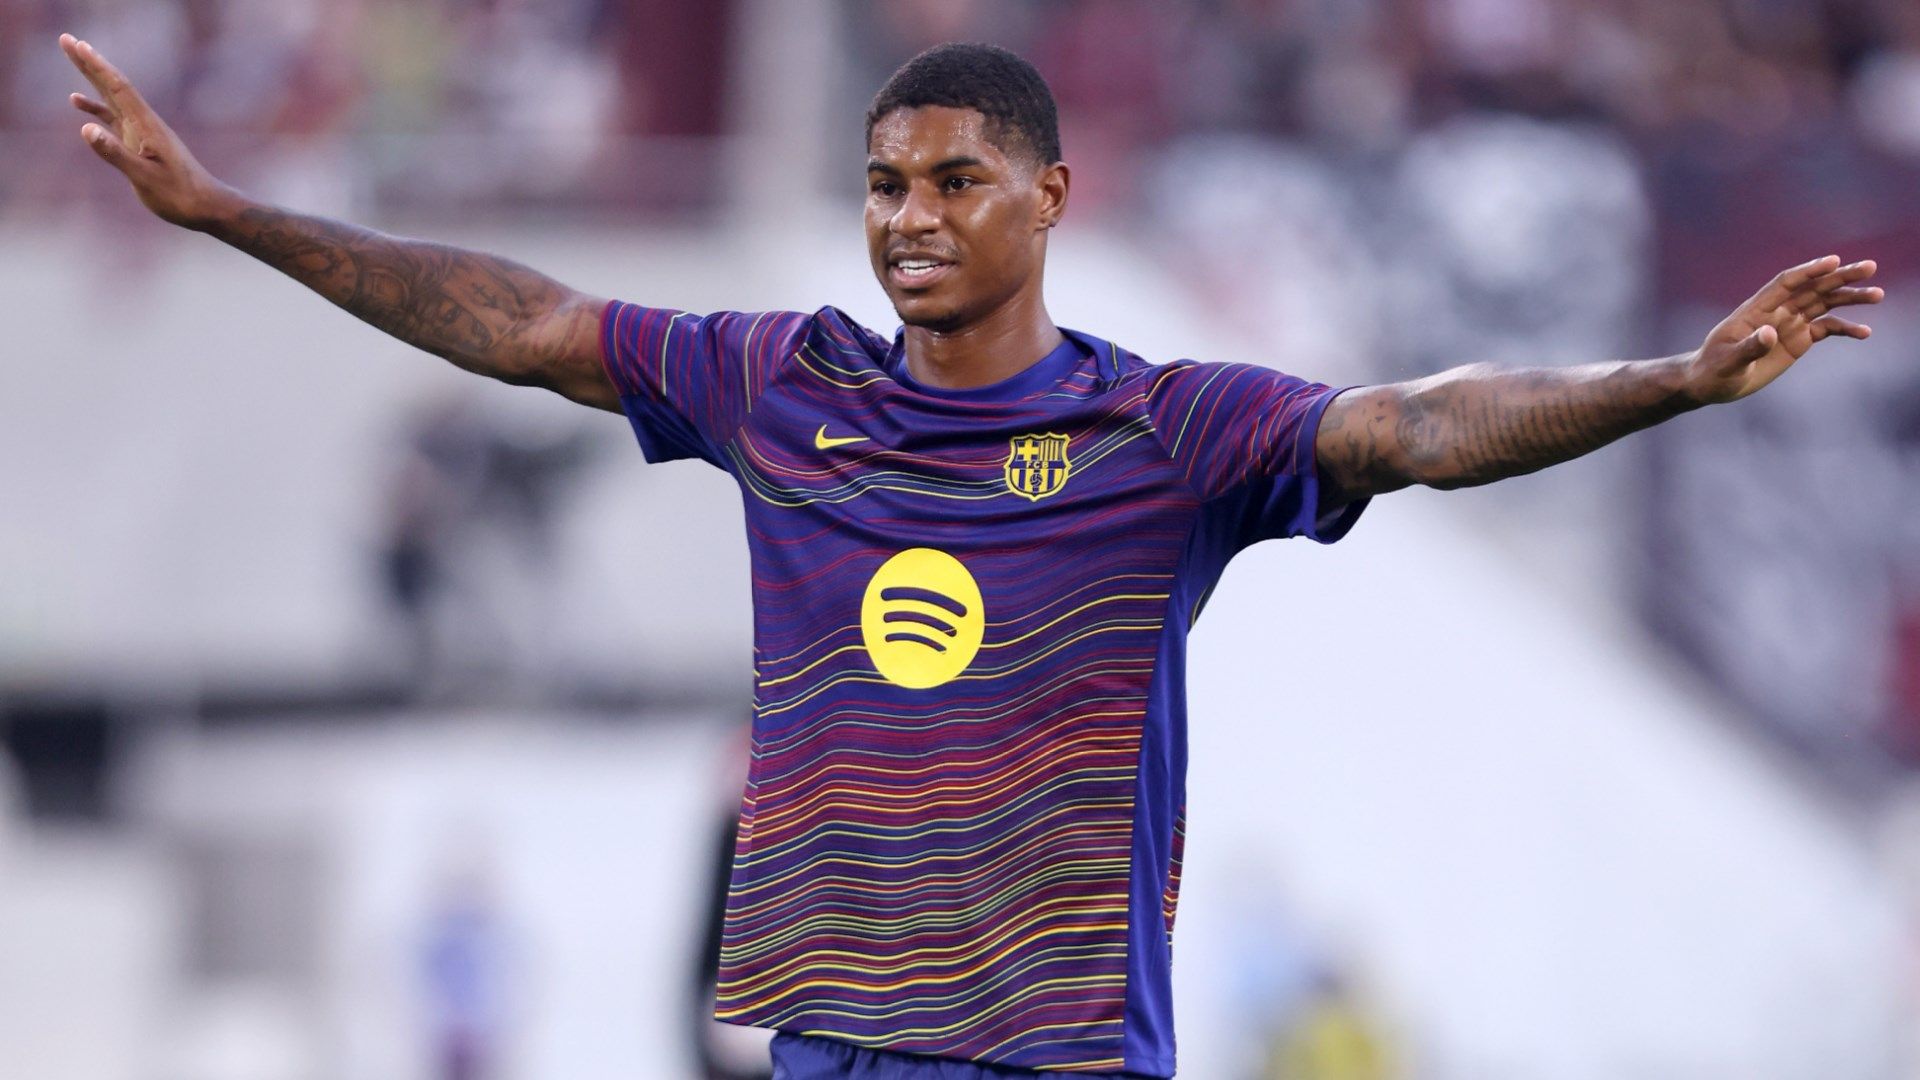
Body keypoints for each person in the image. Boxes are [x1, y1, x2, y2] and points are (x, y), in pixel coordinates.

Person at [60, 32, 1882, 1080]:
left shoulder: (1167, 430)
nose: (909, 219)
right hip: (832, 1042)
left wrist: (1671, 380)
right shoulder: (780, 384)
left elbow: (1409, 425)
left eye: (954, 181)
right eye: (884, 184)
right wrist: (223, 211)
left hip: (1056, 1053)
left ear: (1050, 197)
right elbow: (528, 322)